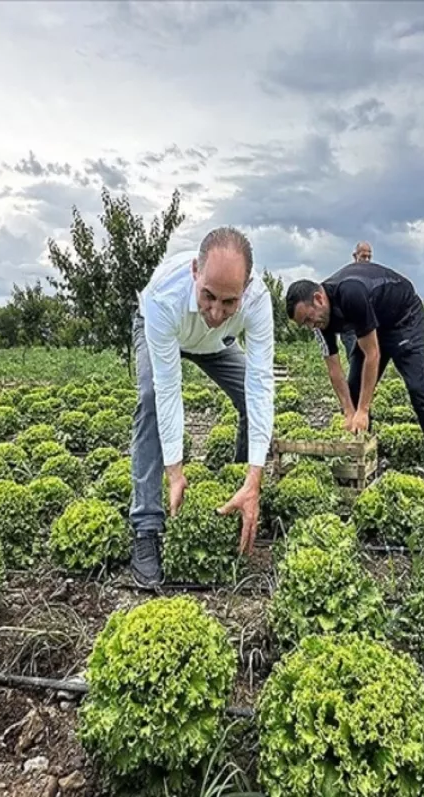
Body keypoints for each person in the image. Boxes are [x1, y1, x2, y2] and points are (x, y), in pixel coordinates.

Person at [128, 227, 275, 587]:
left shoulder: (257, 301)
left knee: (247, 394)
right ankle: (146, 526)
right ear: (196, 270)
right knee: (149, 400)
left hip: (216, 344)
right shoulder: (165, 296)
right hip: (162, 329)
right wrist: (175, 472)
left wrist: (255, 478)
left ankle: (240, 491)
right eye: (209, 296)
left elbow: (261, 387)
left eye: (229, 302)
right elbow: (167, 390)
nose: (215, 310)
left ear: (247, 287)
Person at [285, 259, 424, 474]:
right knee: (352, 393)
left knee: (418, 390)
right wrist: (349, 410)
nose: (309, 326)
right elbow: (333, 368)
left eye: (308, 319)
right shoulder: (320, 322)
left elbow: (373, 354)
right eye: (303, 324)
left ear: (318, 299)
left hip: (404, 320)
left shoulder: (350, 294)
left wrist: (363, 410)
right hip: (374, 325)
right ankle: (363, 461)